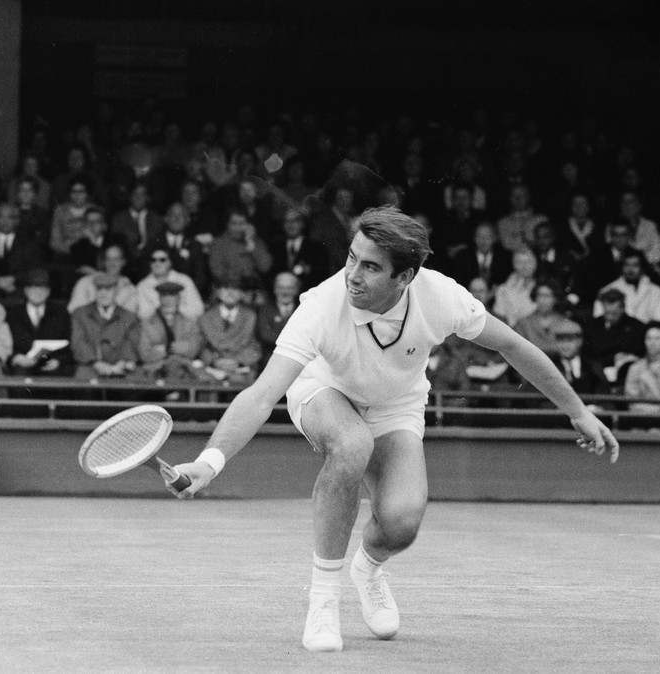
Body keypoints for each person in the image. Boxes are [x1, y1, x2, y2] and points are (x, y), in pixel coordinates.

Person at [165, 206, 617, 653]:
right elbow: (263, 394)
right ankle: (323, 600)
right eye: (351, 258)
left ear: (405, 277)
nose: (353, 275)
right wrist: (209, 462)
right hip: (324, 390)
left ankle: (368, 568)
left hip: (396, 406)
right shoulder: (322, 305)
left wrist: (577, 410)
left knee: (401, 524)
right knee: (351, 444)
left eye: (370, 267)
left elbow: (513, 346)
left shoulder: (441, 296)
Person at [4, 267, 73, 377]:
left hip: (50, 362)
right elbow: (5, 342)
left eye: (42, 288)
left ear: (49, 292)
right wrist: (16, 357)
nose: (38, 292)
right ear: (26, 290)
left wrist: (58, 360)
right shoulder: (13, 314)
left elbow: (67, 343)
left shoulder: (60, 314)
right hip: (22, 364)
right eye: (34, 288)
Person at [70, 273, 140, 380]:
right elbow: (79, 342)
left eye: (108, 290)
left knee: (134, 380)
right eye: (99, 289)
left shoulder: (128, 317)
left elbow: (130, 343)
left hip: (120, 368)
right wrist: (96, 363)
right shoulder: (80, 314)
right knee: (82, 377)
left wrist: (122, 363)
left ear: (116, 291)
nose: (103, 294)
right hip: (90, 366)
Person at [198, 277, 262, 384]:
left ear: (242, 294)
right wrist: (215, 361)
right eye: (225, 288)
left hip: (242, 367)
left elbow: (255, 346)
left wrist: (238, 361)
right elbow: (201, 346)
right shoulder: (206, 317)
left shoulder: (251, 316)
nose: (230, 293)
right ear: (218, 293)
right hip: (213, 368)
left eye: (235, 289)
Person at [137, 281, 204, 381]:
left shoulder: (189, 322)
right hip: (155, 371)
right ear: (159, 298)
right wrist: (167, 349)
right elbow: (144, 353)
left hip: (184, 370)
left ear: (179, 298)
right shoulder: (147, 323)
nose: (168, 300)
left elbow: (194, 349)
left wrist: (180, 349)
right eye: (164, 296)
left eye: (172, 296)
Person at [592, 250, 660, 327]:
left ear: (642, 267)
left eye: (635, 265)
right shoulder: (606, 291)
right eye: (627, 265)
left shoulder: (656, 291)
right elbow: (599, 323)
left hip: (648, 335)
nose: (630, 270)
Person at [135, 247, 205, 320]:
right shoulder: (142, 285)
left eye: (162, 260)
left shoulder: (184, 280)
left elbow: (199, 309)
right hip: (157, 325)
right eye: (153, 260)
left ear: (170, 263)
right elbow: (143, 314)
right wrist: (162, 308)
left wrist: (177, 308)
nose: (157, 263)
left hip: (184, 323)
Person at [269, 208, 330, 292]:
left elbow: (321, 278)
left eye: (295, 220)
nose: (290, 224)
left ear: (303, 223)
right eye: (287, 221)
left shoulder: (317, 248)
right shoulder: (275, 247)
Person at [256, 272, 302, 367]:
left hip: (299, 361)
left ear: (296, 290)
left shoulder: (303, 310)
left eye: (289, 288)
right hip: (271, 360)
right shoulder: (265, 310)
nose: (285, 292)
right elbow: (266, 335)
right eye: (280, 288)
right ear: (275, 289)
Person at [513, 280, 568, 357]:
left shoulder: (565, 322)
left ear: (555, 299)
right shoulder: (523, 323)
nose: (543, 300)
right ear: (535, 297)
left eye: (547, 296)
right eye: (540, 295)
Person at [491, 248, 539, 327]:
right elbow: (499, 317)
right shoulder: (502, 290)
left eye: (529, 262)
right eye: (520, 262)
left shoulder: (541, 289)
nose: (525, 266)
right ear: (514, 265)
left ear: (535, 264)